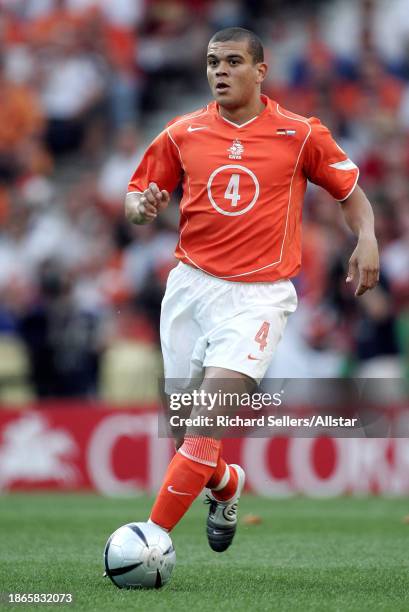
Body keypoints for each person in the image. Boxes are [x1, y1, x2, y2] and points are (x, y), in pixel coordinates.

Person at [125, 27, 379, 552]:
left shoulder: (301, 133)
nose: (220, 71)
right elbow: (135, 194)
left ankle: (149, 540)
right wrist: (142, 206)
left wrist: (368, 238)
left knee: (205, 424)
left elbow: (351, 194)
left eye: (233, 61)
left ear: (260, 71)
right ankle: (228, 483)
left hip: (259, 298)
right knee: (184, 439)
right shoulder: (182, 132)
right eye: (213, 62)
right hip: (189, 289)